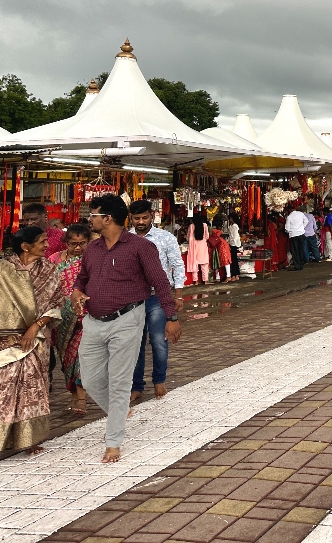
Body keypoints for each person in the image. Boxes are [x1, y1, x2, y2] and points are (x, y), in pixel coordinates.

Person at [70, 194, 180, 463]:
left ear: (107, 218)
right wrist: (76, 293)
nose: (90, 219)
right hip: (94, 320)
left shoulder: (141, 247)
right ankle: (118, 410)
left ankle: (113, 442)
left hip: (128, 319)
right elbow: (82, 279)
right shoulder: (93, 249)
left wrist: (171, 316)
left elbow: (161, 283)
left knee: (120, 382)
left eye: (93, 214)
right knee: (91, 378)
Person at [0, 227, 64, 453]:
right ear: (25, 246)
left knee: (31, 389)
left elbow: (56, 304)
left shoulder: (49, 270)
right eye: (41, 241)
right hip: (5, 342)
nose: (47, 245)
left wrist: (35, 326)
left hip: (36, 340)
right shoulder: (1, 271)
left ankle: (28, 440)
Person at [128, 200, 186, 404]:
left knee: (159, 340)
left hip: (157, 296)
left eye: (144, 217)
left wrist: (178, 295)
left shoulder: (165, 237)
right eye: (137, 218)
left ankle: (159, 380)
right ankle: (136, 386)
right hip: (133, 298)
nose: (141, 222)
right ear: (131, 218)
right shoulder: (125, 238)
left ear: (152, 215)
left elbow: (177, 265)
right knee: (135, 343)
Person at [48, 223, 91, 414]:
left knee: (81, 355)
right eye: (74, 243)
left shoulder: (91, 260)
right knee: (67, 358)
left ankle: (81, 399)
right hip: (61, 319)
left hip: (86, 315)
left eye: (82, 243)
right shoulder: (53, 260)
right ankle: (73, 395)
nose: (78, 248)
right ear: (65, 242)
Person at [186, 211, 211, 284]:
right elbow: (207, 236)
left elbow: (188, 237)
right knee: (204, 264)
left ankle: (195, 281)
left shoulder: (191, 226)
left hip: (194, 246)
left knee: (195, 264)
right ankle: (205, 280)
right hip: (203, 246)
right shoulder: (205, 225)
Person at [209, 216, 233, 282]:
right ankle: (218, 277)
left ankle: (228, 276)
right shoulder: (210, 230)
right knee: (217, 260)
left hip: (220, 245)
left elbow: (220, 232)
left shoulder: (211, 230)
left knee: (224, 260)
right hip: (218, 245)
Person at [284, 204, 309, 271]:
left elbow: (287, 228)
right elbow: (306, 221)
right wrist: (302, 227)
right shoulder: (301, 214)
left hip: (293, 235)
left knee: (295, 251)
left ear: (289, 210)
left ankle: (297, 265)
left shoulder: (289, 217)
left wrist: (289, 231)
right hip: (301, 234)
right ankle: (301, 264)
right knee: (301, 249)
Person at [226, 213, 242, 281]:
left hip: (234, 245)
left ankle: (235, 274)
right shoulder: (231, 226)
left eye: (230, 218)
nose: (230, 220)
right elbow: (230, 236)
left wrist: (232, 244)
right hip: (232, 244)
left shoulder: (235, 226)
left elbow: (235, 237)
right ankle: (235, 274)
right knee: (234, 260)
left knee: (234, 260)